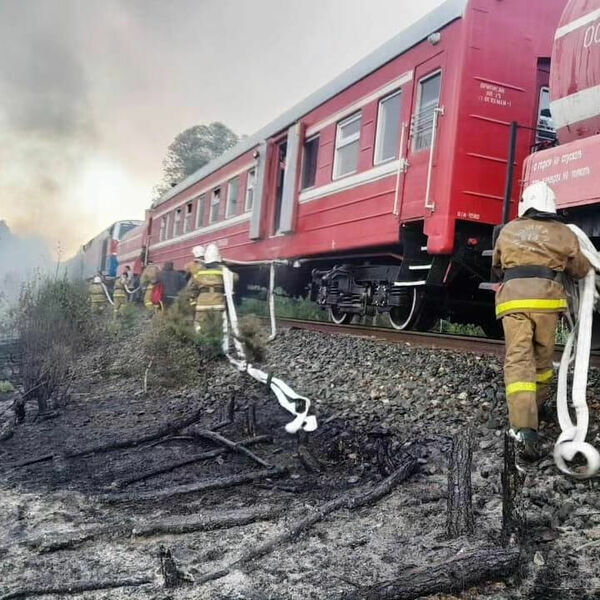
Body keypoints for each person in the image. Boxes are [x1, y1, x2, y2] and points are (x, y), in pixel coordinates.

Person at [492, 181, 590, 459]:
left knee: (519, 358)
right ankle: (539, 404)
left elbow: (497, 266)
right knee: (543, 359)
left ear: (525, 203)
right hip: (548, 303)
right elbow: (580, 269)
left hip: (513, 302)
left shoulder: (508, 230)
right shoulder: (563, 232)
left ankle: (524, 428)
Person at [193, 243, 227, 333]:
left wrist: (193, 300)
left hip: (202, 304)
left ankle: (199, 341)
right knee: (217, 327)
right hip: (218, 304)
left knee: (199, 326)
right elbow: (235, 278)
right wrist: (223, 265)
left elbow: (192, 287)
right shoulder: (223, 271)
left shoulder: (199, 273)